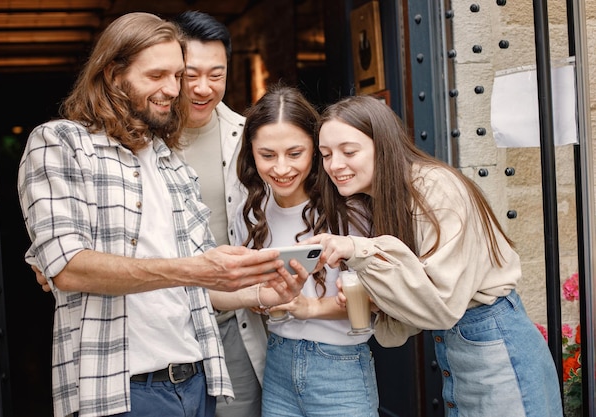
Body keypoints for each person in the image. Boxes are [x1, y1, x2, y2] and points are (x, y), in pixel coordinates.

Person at [17, 12, 308, 417]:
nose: (174, 89)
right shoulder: (60, 143)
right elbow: (67, 267)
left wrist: (259, 294)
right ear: (114, 73)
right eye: (158, 76)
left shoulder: (169, 161)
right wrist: (193, 269)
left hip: (197, 382)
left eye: (176, 75)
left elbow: (199, 286)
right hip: (121, 391)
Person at [305, 95, 564, 416]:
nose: (335, 165)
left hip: (492, 338)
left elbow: (440, 303)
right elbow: (420, 297)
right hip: (459, 344)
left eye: (349, 151)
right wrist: (375, 298)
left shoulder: (434, 187)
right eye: (326, 154)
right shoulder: (386, 198)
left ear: (383, 145)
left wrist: (359, 251)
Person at [208, 85, 380, 417]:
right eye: (267, 155)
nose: (282, 168)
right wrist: (262, 296)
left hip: (340, 365)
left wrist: (309, 306)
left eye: (295, 153)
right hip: (277, 364)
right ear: (251, 152)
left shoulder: (349, 208)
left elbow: (378, 298)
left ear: (315, 151)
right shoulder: (251, 209)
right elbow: (224, 289)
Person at [174, 11, 267, 417]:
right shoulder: (136, 141)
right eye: (189, 74)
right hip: (165, 324)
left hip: (232, 320)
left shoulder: (246, 136)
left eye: (216, 73)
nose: (202, 87)